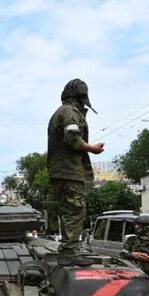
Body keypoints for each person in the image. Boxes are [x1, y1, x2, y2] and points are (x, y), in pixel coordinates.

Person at [47, 78, 104, 263]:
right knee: (75, 210)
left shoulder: (62, 112)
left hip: (62, 171)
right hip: (69, 171)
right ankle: (70, 253)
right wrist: (92, 148)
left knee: (70, 210)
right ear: (80, 96)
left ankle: (69, 249)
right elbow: (72, 139)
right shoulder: (70, 113)